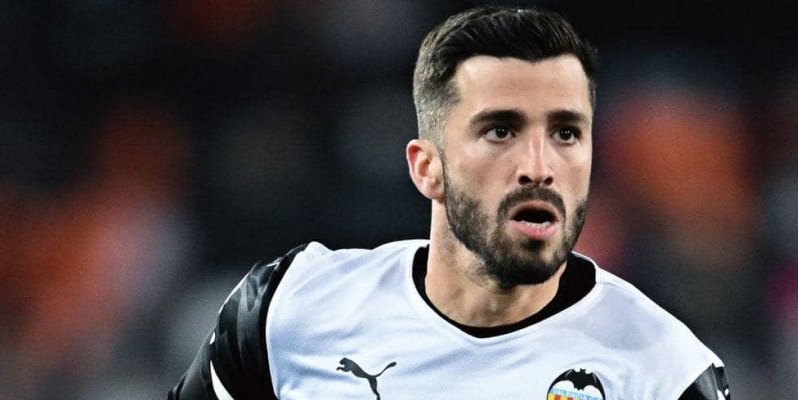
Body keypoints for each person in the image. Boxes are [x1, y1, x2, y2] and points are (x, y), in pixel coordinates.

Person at [169, 6, 730, 400]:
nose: (539, 166)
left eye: (566, 133)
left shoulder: (664, 372)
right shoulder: (289, 311)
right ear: (426, 167)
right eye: (500, 131)